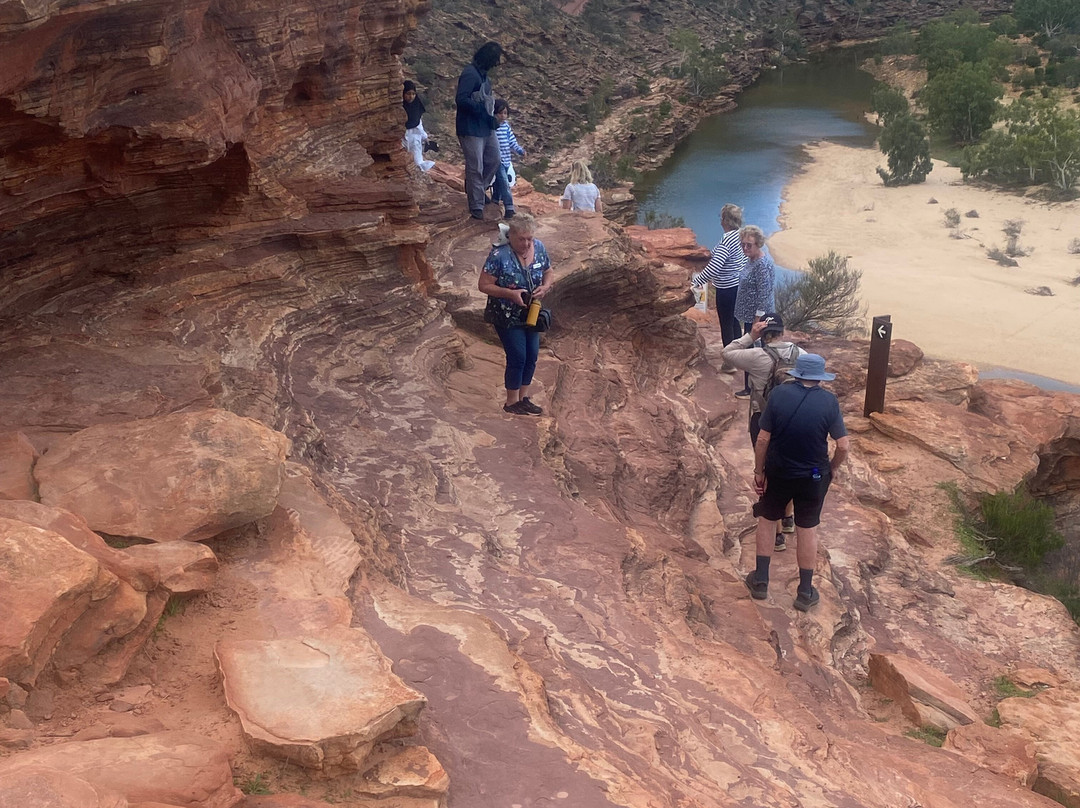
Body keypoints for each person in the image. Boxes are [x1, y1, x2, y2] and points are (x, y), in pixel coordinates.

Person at [744, 353, 849, 612]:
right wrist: (831, 469)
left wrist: (759, 471)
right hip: (813, 475)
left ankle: (760, 581)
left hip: (779, 471)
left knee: (768, 521)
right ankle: (804, 592)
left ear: (797, 374)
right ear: (820, 377)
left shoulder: (779, 395)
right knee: (807, 527)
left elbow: (762, 440)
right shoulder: (829, 401)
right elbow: (843, 446)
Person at [723, 313, 803, 551]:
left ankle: (776, 534)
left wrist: (750, 335)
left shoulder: (756, 355)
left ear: (764, 332)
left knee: (767, 471)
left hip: (763, 419)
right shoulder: (801, 355)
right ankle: (788, 518)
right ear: (783, 330)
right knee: (789, 466)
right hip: (794, 420)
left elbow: (727, 353)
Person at [478, 213, 553, 415]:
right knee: (518, 355)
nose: (527, 243)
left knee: (532, 355)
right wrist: (509, 294)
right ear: (510, 236)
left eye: (530, 238)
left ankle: (524, 397)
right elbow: (483, 285)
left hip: (532, 312)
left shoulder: (539, 248)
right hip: (506, 313)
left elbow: (548, 271)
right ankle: (511, 402)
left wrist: (545, 287)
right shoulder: (498, 256)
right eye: (522, 239)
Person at [456, 42, 504, 220]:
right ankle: (476, 204)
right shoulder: (470, 73)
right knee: (476, 165)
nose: (496, 64)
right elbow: (461, 99)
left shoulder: (484, 77)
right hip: (470, 127)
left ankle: (477, 188)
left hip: (485, 126)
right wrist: (481, 110)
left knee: (494, 159)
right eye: (494, 60)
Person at [692, 204, 747, 349]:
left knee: (726, 324)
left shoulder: (726, 241)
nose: (720, 221)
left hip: (727, 289)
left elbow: (715, 266)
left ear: (726, 221)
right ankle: (739, 354)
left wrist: (697, 281)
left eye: (721, 218)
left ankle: (730, 361)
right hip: (739, 285)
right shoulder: (742, 236)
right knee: (735, 321)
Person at [733, 225, 776, 398]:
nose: (745, 248)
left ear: (758, 244)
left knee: (756, 353)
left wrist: (757, 321)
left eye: (749, 245)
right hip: (751, 316)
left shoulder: (762, 265)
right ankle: (753, 388)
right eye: (743, 244)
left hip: (758, 318)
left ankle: (755, 390)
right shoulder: (751, 260)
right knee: (752, 351)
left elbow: (764, 294)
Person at [492, 99, 526, 219]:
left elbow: (512, 141)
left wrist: (520, 150)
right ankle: (509, 208)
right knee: (504, 182)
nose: (503, 116)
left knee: (499, 182)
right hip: (497, 159)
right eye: (500, 113)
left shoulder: (506, 126)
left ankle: (495, 200)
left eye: (505, 113)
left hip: (507, 159)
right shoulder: (492, 126)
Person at [402, 81, 435, 172]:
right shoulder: (400, 107)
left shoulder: (416, 106)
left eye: (413, 94)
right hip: (402, 137)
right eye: (408, 93)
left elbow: (418, 122)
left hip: (415, 137)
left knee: (417, 162)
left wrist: (425, 137)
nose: (411, 96)